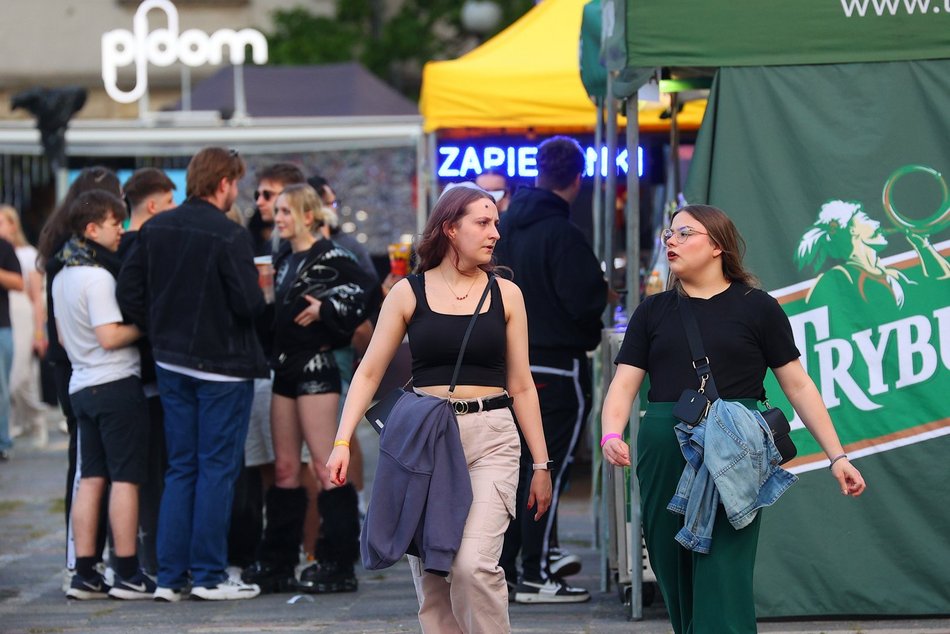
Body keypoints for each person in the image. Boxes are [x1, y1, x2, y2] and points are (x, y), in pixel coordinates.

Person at [600, 204, 867, 634]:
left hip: (735, 444)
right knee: (672, 567)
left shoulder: (757, 307)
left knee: (724, 570)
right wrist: (611, 433)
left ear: (717, 246)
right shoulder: (652, 311)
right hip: (664, 444)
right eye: (669, 233)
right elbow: (624, 384)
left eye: (685, 233)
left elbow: (798, 385)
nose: (671, 241)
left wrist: (838, 457)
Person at [327, 183, 554, 633]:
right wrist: (341, 440)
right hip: (426, 441)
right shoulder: (408, 293)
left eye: (496, 223)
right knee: (433, 575)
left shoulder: (506, 293)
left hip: (492, 435)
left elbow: (522, 385)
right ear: (450, 228)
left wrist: (542, 463)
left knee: (473, 566)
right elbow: (369, 374)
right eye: (483, 222)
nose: (495, 233)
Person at [117, 147, 268, 601]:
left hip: (170, 362)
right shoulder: (229, 234)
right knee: (216, 470)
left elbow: (130, 292)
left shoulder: (155, 227)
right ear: (223, 183)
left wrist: (161, 328)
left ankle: (169, 578)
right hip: (222, 366)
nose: (237, 190)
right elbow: (248, 305)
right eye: (236, 182)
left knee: (181, 468)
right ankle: (208, 575)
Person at [243, 184, 373, 594]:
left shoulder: (333, 255)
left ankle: (338, 560)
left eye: (285, 211)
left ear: (308, 215)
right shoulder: (282, 255)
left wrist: (326, 309)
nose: (277, 217)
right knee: (284, 468)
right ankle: (279, 560)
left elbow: (364, 297)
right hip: (284, 367)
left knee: (324, 466)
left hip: (317, 367)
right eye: (276, 210)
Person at [494, 136, 607, 603]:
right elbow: (585, 301)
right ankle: (537, 574)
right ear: (577, 180)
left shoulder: (502, 231)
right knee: (546, 472)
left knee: (516, 471)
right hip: (556, 368)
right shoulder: (564, 235)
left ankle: (513, 568)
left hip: (506, 366)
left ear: (538, 172)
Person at [51, 190, 154, 599]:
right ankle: (128, 571)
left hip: (81, 384)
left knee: (90, 479)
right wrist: (148, 326)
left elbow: (61, 336)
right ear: (92, 228)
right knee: (125, 480)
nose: (121, 231)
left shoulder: (62, 274)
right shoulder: (97, 276)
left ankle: (86, 571)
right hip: (115, 383)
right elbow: (110, 336)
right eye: (115, 223)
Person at [37, 166, 121, 578]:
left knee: (87, 464)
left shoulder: (60, 248)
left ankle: (84, 557)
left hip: (68, 359)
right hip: (86, 361)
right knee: (91, 464)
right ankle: (84, 556)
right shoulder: (78, 258)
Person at [117, 167, 177, 578]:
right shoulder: (144, 245)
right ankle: (153, 558)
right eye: (171, 203)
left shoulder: (117, 245)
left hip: (129, 372)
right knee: (154, 471)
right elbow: (132, 297)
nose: (174, 212)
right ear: (153, 205)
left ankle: (134, 557)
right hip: (147, 372)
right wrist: (158, 329)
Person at [0, 205, 48, 448]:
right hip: (9, 314)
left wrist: (39, 331)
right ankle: (11, 425)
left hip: (22, 315)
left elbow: (37, 296)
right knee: (11, 378)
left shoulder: (28, 254)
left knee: (18, 377)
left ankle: (35, 418)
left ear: (13, 225)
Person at [0, 226, 23, 461]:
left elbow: (19, 282)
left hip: (1, 326)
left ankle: (2, 442)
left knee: (1, 388)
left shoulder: (4, 246)